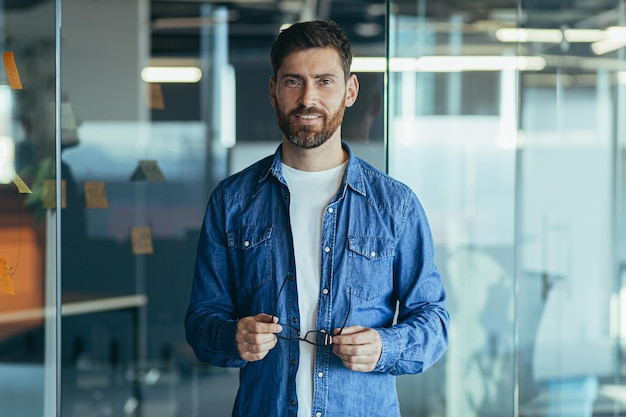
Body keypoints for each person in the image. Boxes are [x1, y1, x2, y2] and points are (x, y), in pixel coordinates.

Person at [185, 20, 449, 417]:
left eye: (325, 81)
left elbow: (435, 320)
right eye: (294, 81)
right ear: (273, 91)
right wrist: (230, 337)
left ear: (350, 90)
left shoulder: (395, 205)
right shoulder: (232, 200)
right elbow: (201, 320)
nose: (308, 98)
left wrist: (384, 347)